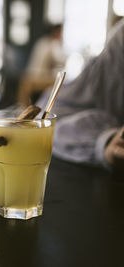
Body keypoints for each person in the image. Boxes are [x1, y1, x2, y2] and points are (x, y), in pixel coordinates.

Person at [36, 19, 124, 172]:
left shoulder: (46, 43)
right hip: (39, 78)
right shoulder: (50, 44)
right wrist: (106, 141)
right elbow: (46, 114)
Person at [18, 24, 66, 106]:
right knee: (63, 85)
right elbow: (60, 61)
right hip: (40, 77)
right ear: (56, 32)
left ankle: (23, 109)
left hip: (30, 74)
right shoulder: (52, 44)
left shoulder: (42, 41)